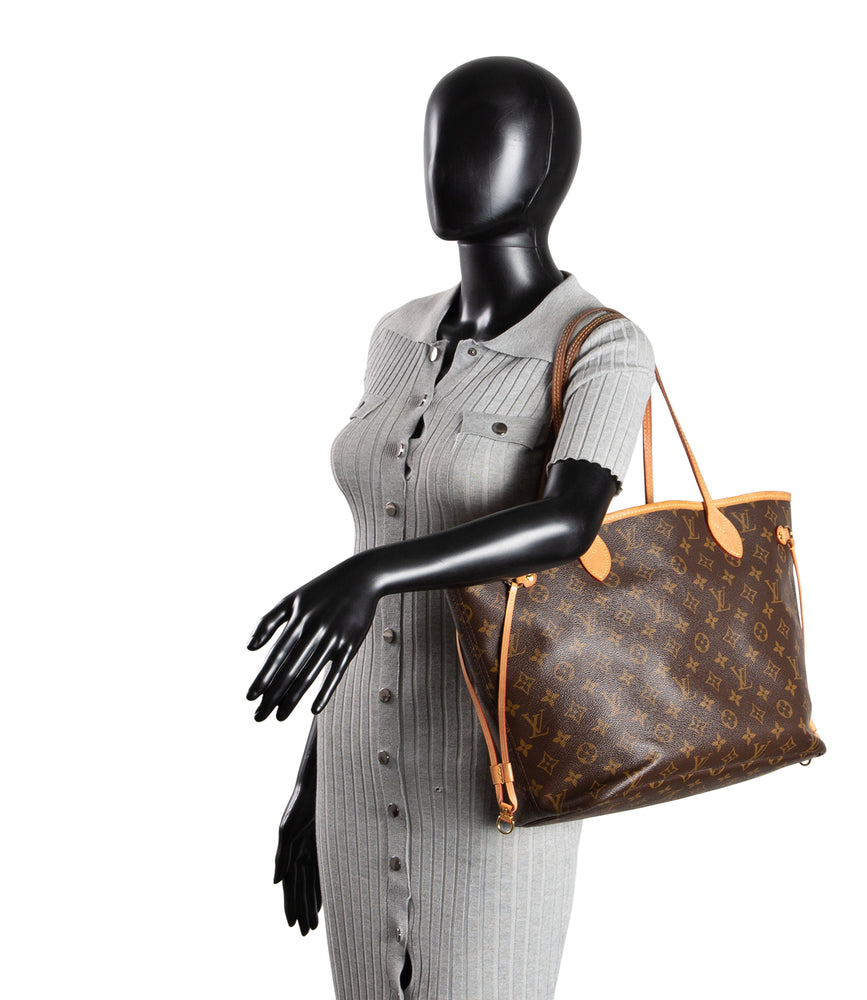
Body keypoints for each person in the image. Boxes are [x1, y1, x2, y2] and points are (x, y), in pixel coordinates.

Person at [246, 55, 656, 1000]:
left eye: (479, 140)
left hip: (493, 764)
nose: (447, 164)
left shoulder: (600, 344)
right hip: (355, 755)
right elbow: (372, 547)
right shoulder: (395, 336)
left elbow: (567, 521)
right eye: (437, 138)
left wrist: (375, 574)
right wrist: (317, 769)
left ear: (546, 167)